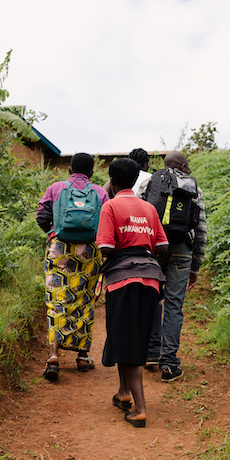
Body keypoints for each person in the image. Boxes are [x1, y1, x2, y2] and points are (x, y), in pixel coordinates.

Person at [96, 157, 169, 428]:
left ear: (112, 181)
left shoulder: (110, 206)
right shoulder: (149, 208)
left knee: (125, 338)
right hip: (151, 280)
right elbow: (162, 245)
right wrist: (142, 245)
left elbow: (104, 247)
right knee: (131, 336)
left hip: (122, 280)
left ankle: (140, 409)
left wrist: (124, 248)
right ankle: (123, 393)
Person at [36, 152, 109, 381]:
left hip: (60, 249)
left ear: (69, 169)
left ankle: (54, 355)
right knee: (85, 299)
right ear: (91, 172)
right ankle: (82, 355)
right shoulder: (100, 192)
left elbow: (41, 217)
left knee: (57, 298)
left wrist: (53, 233)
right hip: (89, 251)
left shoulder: (56, 188)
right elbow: (105, 223)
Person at [143, 150, 207, 382]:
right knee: (173, 305)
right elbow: (201, 230)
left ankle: (150, 353)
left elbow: (140, 215)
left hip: (152, 249)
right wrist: (195, 267)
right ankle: (169, 364)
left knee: (151, 299)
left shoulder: (150, 182)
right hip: (182, 249)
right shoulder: (194, 188)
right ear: (181, 165)